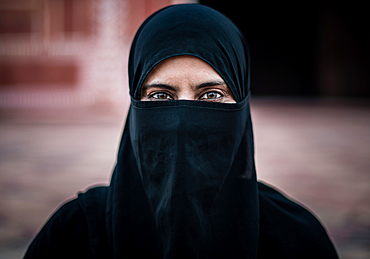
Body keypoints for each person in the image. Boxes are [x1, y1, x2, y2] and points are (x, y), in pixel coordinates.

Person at [24, 4, 338, 259]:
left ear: (241, 102)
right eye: (161, 96)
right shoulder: (72, 235)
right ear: (135, 103)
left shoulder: (297, 240)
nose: (182, 120)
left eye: (211, 95)